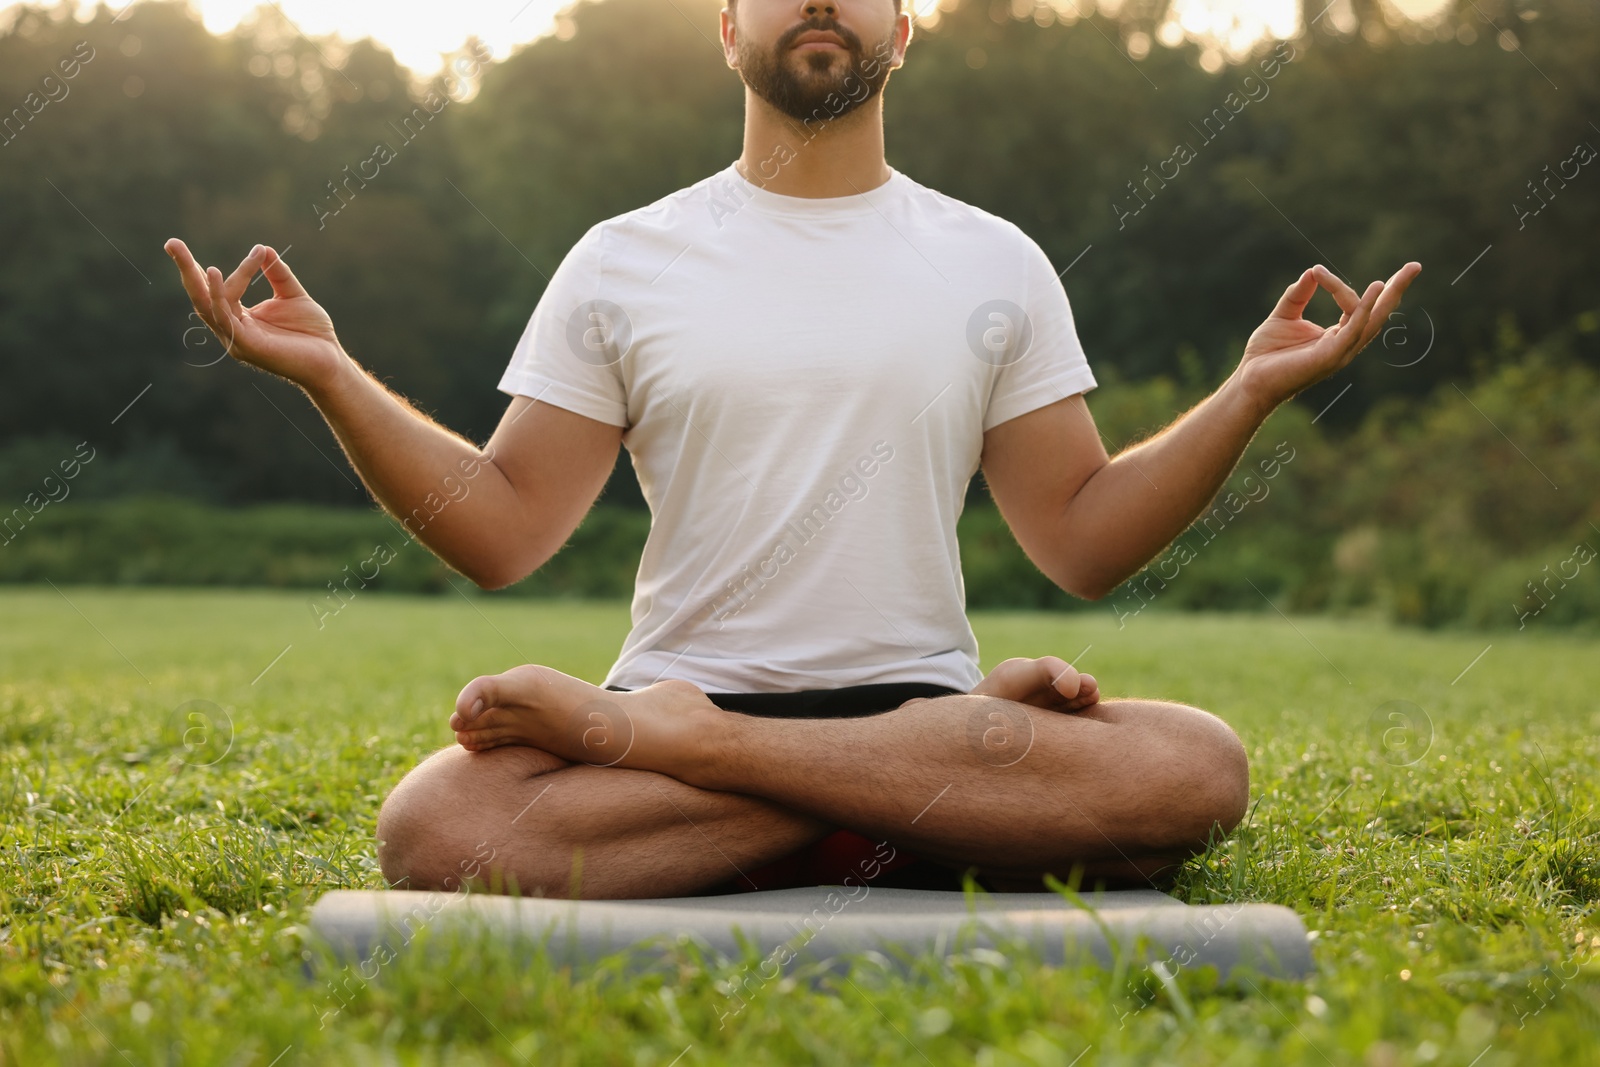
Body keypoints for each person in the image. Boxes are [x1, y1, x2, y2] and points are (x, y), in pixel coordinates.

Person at [165, 0, 1420, 899]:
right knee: (435, 825)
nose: (819, 1)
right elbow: (501, 528)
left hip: (825, 723)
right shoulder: (622, 258)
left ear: (902, 28)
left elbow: (1082, 538)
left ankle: (724, 774)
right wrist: (330, 374)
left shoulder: (993, 259)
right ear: (724, 29)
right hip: (735, 703)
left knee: (1194, 764)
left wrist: (1246, 393)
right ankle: (897, 820)